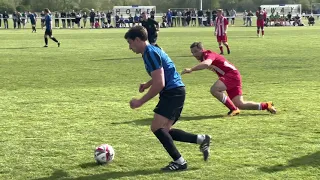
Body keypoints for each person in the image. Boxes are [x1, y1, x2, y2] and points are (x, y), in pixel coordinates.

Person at [124, 26, 211, 171]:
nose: (129, 47)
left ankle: (180, 162)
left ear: (138, 40)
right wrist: (147, 84)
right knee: (165, 130)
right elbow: (164, 72)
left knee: (157, 128)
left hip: (173, 92)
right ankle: (202, 139)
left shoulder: (150, 53)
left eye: (130, 43)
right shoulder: (152, 50)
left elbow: (160, 83)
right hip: (175, 91)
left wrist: (140, 101)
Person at [181, 42, 277, 116]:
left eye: (196, 51)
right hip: (233, 76)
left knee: (214, 89)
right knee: (240, 104)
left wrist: (191, 69)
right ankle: (267, 105)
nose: (194, 54)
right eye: (192, 52)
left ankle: (233, 109)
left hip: (231, 75)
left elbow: (206, 64)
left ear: (202, 49)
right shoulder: (202, 57)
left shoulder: (208, 54)